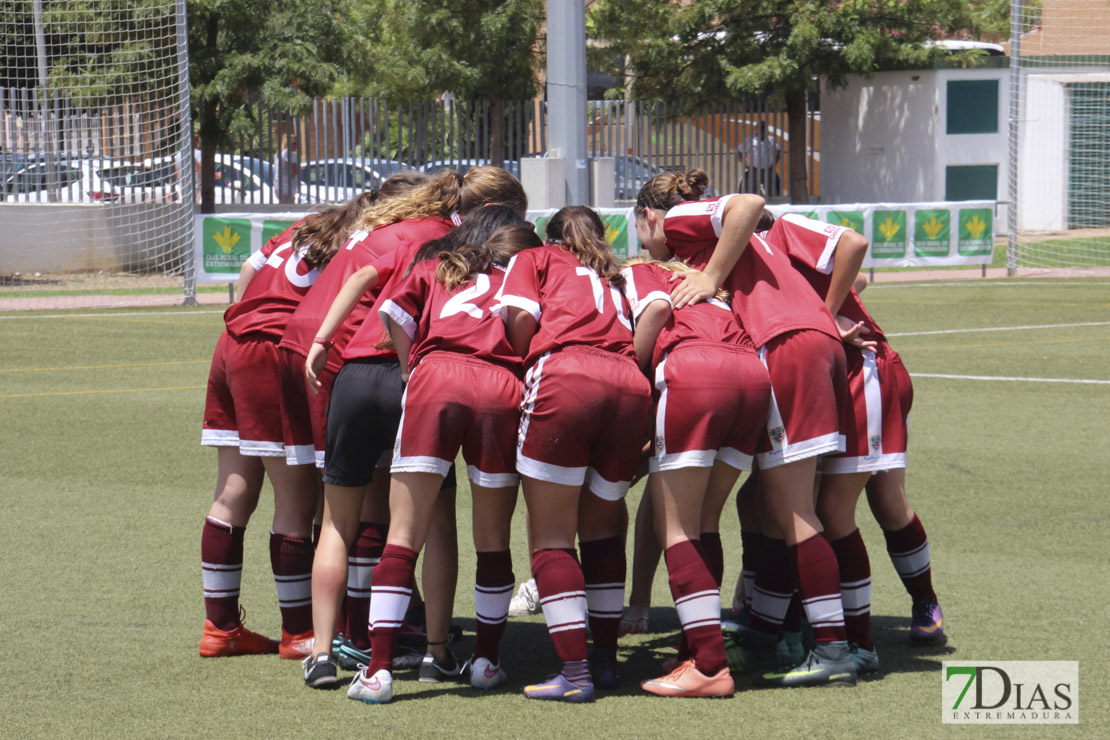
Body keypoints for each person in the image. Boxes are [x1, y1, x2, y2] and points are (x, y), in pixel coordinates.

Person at [302, 169, 529, 691]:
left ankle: (325, 654)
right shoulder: (464, 247)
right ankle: (442, 652)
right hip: (450, 383)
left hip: (360, 376)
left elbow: (377, 296)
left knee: (340, 524)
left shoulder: (414, 242)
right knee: (448, 528)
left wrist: (322, 340)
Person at [635, 169, 862, 688]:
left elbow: (750, 201)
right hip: (807, 344)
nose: (647, 247)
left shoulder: (681, 218)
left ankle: (832, 649)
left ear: (650, 216)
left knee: (792, 510)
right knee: (771, 506)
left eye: (641, 233)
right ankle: (776, 632)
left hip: (781, 347)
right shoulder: (739, 241)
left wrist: (711, 276)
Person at [348, 221, 541, 704]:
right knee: (492, 539)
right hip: (501, 385)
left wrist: (409, 365)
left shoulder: (439, 265)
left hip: (436, 379)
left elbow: (391, 312)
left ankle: (378, 673)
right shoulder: (522, 275)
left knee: (403, 535)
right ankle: (486, 663)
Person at [497, 206, 653, 703]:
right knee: (605, 529)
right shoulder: (618, 271)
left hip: (565, 373)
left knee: (552, 536)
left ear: (551, 236)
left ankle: (575, 672)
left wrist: (528, 357)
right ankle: (605, 664)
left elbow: (521, 316)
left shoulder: (537, 258)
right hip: (630, 383)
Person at [277, 172, 426, 668]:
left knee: (335, 511)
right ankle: (365, 632)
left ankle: (318, 642)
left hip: (309, 347)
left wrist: (318, 343)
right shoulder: (421, 233)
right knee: (381, 510)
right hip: (353, 358)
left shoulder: (368, 228)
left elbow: (258, 269)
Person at [198, 200, 355, 660]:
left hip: (232, 342)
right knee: (296, 500)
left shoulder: (300, 226)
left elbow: (247, 275)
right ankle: (299, 631)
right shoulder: (359, 239)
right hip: (273, 350)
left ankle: (219, 627)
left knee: (232, 492)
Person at [621, 254, 771, 698]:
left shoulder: (635, 271)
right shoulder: (705, 280)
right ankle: (695, 644)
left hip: (695, 371)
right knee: (705, 520)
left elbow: (653, 314)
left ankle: (708, 664)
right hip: (751, 374)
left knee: (675, 527)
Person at [737, 121, 781, 197]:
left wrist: (774, 163)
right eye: (760, 128)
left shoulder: (771, 140)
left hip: (768, 169)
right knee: (751, 192)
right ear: (756, 129)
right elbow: (740, 151)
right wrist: (745, 163)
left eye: (764, 128)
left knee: (771, 191)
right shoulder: (750, 140)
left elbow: (778, 151)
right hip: (754, 170)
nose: (762, 130)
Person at [273, 133, 300, 205]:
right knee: (291, 209)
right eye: (294, 143)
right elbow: (294, 172)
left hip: (278, 185)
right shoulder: (290, 154)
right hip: (288, 186)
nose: (296, 146)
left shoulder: (278, 154)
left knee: (283, 208)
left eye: (297, 143)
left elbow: (276, 169)